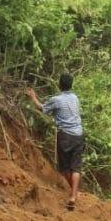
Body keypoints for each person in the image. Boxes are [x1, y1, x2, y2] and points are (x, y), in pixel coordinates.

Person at [27, 73, 84, 211]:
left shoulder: (56, 100)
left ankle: (73, 194)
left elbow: (42, 108)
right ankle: (73, 195)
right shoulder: (75, 98)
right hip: (79, 134)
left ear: (60, 85)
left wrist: (33, 97)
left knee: (65, 168)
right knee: (75, 167)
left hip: (65, 135)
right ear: (71, 85)